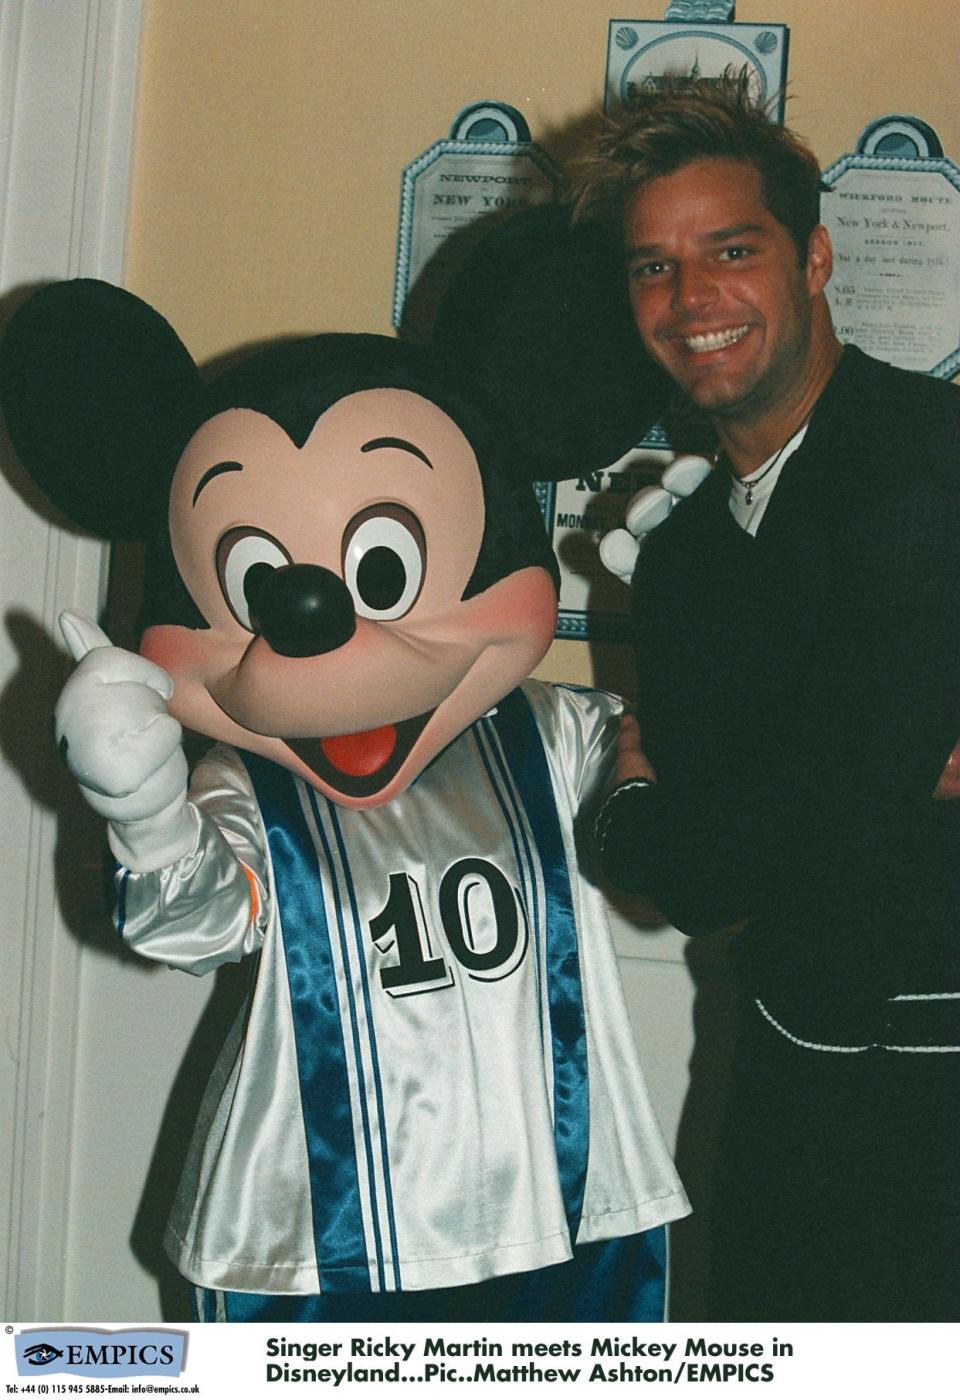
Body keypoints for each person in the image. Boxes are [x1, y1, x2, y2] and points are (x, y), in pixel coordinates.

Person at [578, 74, 960, 1321]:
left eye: (728, 252)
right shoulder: (683, 556)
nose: (690, 302)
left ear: (813, 257)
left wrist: (639, 811)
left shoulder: (931, 462)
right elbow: (726, 871)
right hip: (790, 1074)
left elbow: (755, 829)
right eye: (652, 267)